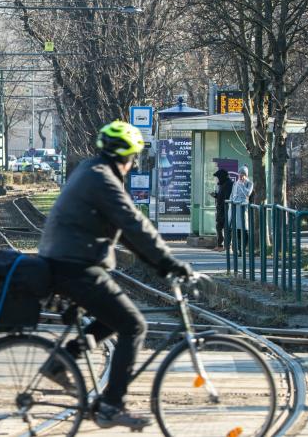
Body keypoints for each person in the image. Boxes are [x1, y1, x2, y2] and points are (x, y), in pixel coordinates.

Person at [38, 120, 193, 430]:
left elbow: (123, 231)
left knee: (112, 320)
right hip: (76, 266)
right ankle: (111, 406)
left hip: (66, 261)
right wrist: (171, 263)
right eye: (133, 157)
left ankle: (61, 362)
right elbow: (134, 224)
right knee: (134, 326)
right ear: (126, 158)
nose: (133, 163)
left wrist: (158, 262)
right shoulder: (104, 181)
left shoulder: (90, 170)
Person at [229, 165, 253, 255]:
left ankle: (243, 248)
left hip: (243, 208)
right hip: (235, 207)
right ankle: (238, 249)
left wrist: (242, 185)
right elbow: (232, 194)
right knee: (236, 230)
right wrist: (231, 202)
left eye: (243, 174)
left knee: (244, 229)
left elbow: (248, 194)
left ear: (246, 175)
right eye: (240, 173)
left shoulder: (249, 183)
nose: (240, 175)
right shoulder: (235, 183)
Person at [211, 168, 234, 251]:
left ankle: (227, 246)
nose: (217, 179)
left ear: (222, 176)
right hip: (221, 209)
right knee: (219, 226)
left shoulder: (229, 184)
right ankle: (220, 245)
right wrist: (216, 195)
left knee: (226, 228)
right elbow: (222, 196)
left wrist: (220, 198)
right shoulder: (222, 184)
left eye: (218, 177)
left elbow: (227, 197)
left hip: (226, 210)